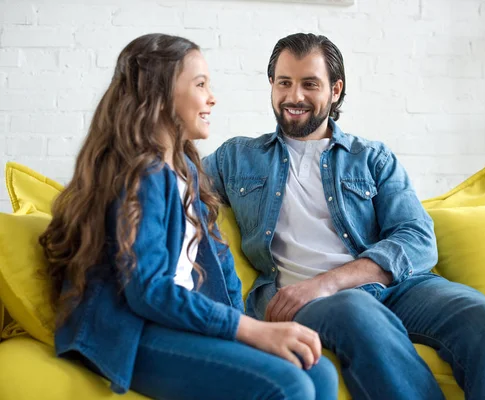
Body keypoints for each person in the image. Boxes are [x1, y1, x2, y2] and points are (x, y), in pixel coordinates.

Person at [203, 32, 485, 400]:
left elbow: (417, 238)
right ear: (271, 85)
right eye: (284, 82)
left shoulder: (372, 157)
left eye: (309, 84)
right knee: (356, 309)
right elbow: (166, 183)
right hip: (311, 303)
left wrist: (329, 281)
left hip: (394, 288)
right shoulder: (236, 158)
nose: (295, 96)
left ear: (335, 90)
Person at [39, 33, 338, 400]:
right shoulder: (142, 176)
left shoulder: (186, 172)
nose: (212, 97)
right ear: (161, 94)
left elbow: (221, 266)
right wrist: (248, 332)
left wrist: (253, 328)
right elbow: (148, 291)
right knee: (288, 384)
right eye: (200, 84)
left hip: (174, 323)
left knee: (317, 371)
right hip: (134, 330)